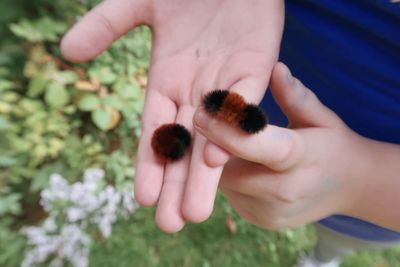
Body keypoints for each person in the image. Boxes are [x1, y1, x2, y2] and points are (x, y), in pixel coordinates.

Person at [61, 0, 400, 266]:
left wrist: (360, 182)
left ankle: (326, 257)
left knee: (341, 238)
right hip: (256, 70)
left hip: (376, 212)